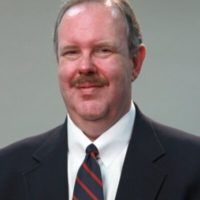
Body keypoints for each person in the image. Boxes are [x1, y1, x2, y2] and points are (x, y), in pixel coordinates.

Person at [0, 0, 200, 199]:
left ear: (136, 62)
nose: (85, 67)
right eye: (71, 52)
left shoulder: (193, 166)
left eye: (103, 50)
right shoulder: (6, 170)